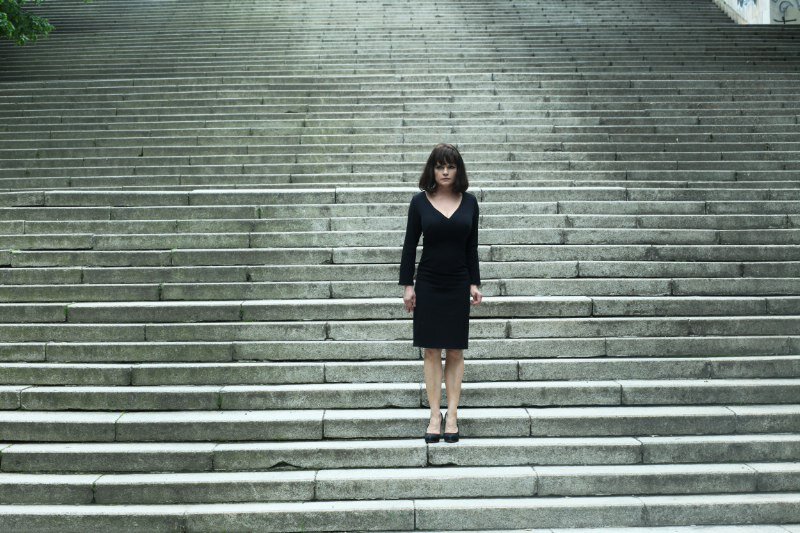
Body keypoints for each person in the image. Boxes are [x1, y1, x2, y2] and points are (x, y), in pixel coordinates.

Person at [399, 143, 482, 444]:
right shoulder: (419, 202)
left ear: (458, 170)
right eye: (439, 166)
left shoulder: (470, 203)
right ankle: (435, 416)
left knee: (456, 350)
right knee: (432, 350)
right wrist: (408, 285)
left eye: (451, 166)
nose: (445, 171)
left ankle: (453, 415)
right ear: (432, 170)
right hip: (429, 282)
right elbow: (410, 245)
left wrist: (474, 282)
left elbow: (471, 247)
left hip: (458, 282)